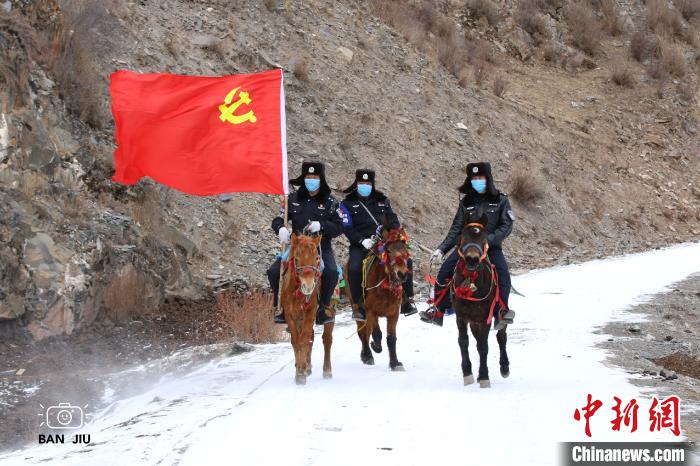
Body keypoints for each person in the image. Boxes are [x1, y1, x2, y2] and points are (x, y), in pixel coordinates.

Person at [419, 162, 515, 329]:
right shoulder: (466, 202)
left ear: (488, 179)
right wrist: (441, 249)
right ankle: (438, 310)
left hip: (490, 247)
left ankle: (502, 311)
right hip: (466, 248)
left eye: (480, 178)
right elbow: (456, 228)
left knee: (503, 274)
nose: (477, 181)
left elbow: (506, 226)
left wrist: (488, 240)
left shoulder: (500, 200)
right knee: (444, 272)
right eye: (473, 178)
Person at [267, 161, 343, 326]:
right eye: (308, 176)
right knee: (273, 271)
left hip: (320, 246)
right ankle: (281, 307)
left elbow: (339, 227)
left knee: (331, 272)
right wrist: (280, 228)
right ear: (303, 178)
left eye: (314, 177)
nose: (311, 180)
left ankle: (323, 308)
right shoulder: (292, 199)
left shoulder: (331, 202)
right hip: (296, 247)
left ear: (321, 179)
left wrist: (322, 225)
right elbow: (278, 218)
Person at [338, 169, 418, 322]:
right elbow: (347, 228)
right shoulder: (346, 203)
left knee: (407, 261)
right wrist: (361, 240)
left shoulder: (382, 200)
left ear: (372, 184)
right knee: (354, 267)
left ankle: (407, 300)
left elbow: (394, 221)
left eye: (368, 183)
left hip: (384, 244)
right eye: (362, 183)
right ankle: (358, 305)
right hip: (361, 245)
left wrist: (393, 235)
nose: (365, 186)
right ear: (356, 183)